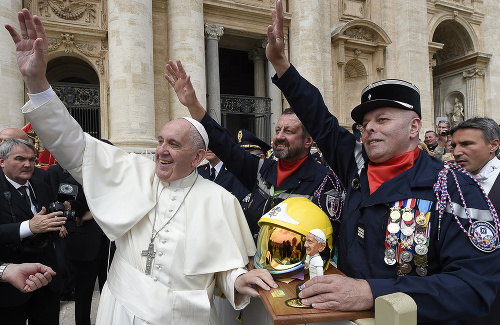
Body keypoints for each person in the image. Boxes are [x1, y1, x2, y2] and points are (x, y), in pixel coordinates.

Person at [5, 9, 276, 325]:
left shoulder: (220, 201)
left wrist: (236, 282)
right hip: (121, 308)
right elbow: (73, 144)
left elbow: (223, 269)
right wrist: (37, 82)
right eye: (161, 140)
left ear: (199, 157)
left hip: (185, 318)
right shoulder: (132, 171)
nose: (161, 150)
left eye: (174, 144)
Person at [263, 1, 500, 323]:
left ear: (415, 127)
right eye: (366, 122)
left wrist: (372, 292)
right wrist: (282, 67)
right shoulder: (356, 164)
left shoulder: (454, 188)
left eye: (383, 119)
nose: (370, 127)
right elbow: (320, 119)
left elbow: (473, 289)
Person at [165, 63, 344, 243]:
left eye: (289, 131)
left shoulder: (325, 182)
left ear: (308, 140)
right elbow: (224, 144)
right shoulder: (261, 170)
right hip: (254, 266)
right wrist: (193, 104)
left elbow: (325, 242)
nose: (279, 137)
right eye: (277, 130)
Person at [0, 138, 66, 325]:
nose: (28, 164)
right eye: (20, 159)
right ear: (2, 161)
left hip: (47, 281)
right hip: (9, 288)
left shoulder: (41, 187)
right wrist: (28, 227)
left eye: (32, 159)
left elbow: (52, 226)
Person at [48, 161, 114, 325]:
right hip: (84, 240)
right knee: (83, 292)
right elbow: (62, 202)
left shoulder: (113, 178)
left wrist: (92, 213)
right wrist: (66, 218)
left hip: (111, 242)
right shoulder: (69, 174)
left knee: (113, 291)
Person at [451, 117, 500, 325]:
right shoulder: (448, 181)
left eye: (467, 144)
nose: (456, 151)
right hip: (456, 294)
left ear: (493, 145)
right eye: (454, 145)